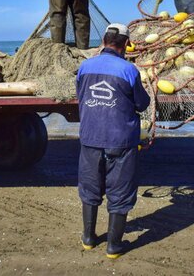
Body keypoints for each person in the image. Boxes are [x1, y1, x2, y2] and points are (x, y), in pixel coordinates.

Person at [75, 23, 151, 259]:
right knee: (120, 192)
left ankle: (88, 239)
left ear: (104, 41)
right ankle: (113, 246)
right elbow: (142, 103)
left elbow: (80, 96)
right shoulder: (129, 70)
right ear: (126, 45)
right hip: (120, 142)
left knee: (89, 188)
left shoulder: (84, 67)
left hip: (90, 138)